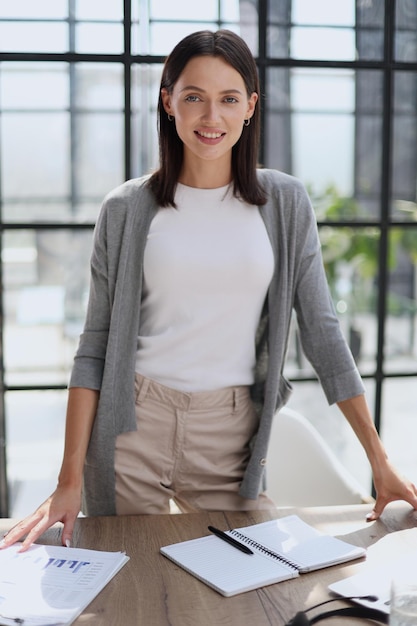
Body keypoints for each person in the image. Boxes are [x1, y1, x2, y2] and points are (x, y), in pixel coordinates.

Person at [2, 29, 417, 553]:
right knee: (123, 584)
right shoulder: (125, 210)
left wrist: (380, 463)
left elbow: (324, 334)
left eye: (228, 99)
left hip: (232, 435)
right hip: (132, 426)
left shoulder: (286, 203)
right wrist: (67, 482)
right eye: (193, 97)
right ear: (168, 100)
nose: (210, 117)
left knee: (259, 585)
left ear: (250, 107)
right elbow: (95, 348)